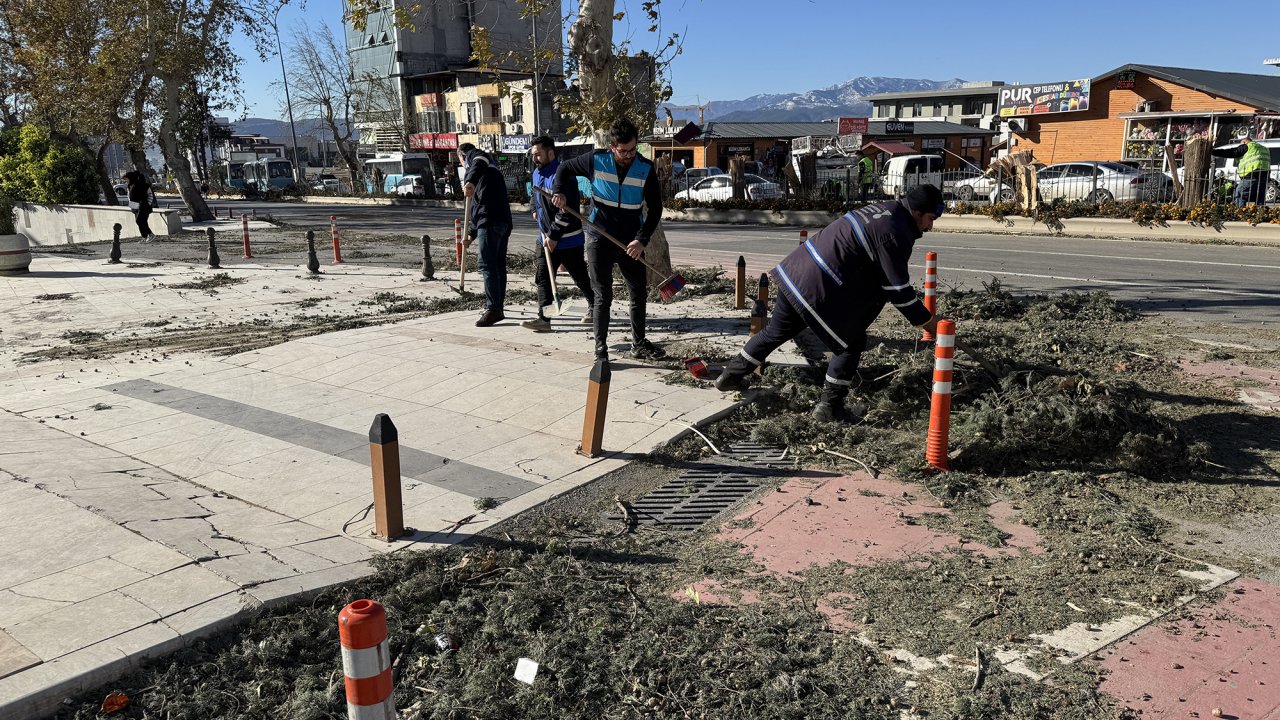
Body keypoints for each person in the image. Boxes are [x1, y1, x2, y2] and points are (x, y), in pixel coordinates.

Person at [714, 184, 944, 421]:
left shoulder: (885, 209)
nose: (930, 227)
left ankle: (730, 375)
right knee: (851, 341)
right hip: (818, 286)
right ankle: (830, 407)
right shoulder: (895, 230)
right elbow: (897, 288)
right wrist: (927, 321)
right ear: (917, 212)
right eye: (930, 219)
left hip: (794, 274)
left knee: (776, 330)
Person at [551, 117, 665, 361]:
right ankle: (600, 349)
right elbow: (564, 168)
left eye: (633, 149)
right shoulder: (596, 160)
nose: (629, 155)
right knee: (603, 295)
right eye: (623, 151)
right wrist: (559, 191)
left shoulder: (645, 167)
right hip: (599, 238)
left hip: (631, 242)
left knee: (638, 292)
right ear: (612, 147)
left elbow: (656, 208)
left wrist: (642, 239)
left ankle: (639, 344)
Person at [524, 136, 596, 333]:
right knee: (543, 278)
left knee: (580, 277)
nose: (535, 159)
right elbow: (534, 194)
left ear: (551, 153)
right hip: (545, 238)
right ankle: (544, 319)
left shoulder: (563, 176)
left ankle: (595, 306)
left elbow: (567, 211)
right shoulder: (537, 173)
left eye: (538, 154)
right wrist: (534, 208)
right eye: (533, 155)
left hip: (568, 239)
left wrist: (554, 236)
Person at [1213, 135, 1271, 207]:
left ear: (1244, 142)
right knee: (1259, 196)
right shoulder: (1264, 148)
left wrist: (1214, 152)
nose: (1240, 146)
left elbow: (1231, 152)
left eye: (1241, 145)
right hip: (1265, 175)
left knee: (1239, 193)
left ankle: (1240, 211)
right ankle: (1260, 211)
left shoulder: (1247, 146)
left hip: (1251, 174)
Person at [123, 170, 156, 242]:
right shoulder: (129, 186)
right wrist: (131, 204)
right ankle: (145, 237)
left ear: (131, 178)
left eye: (127, 179)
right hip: (135, 207)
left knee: (140, 220)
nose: (126, 181)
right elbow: (129, 196)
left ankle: (150, 235)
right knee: (141, 222)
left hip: (144, 206)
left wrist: (148, 204)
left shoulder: (145, 185)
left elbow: (150, 195)